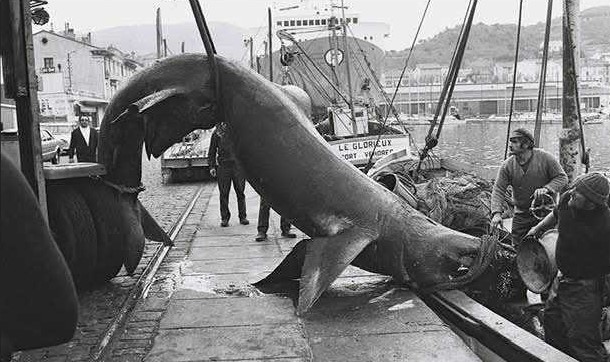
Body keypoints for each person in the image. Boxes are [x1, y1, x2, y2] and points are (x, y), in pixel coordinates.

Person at [525, 172, 610, 361]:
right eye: (574, 187)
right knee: (553, 323)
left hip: (585, 289)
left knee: (583, 341)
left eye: (578, 192)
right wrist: (538, 228)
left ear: (591, 203)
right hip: (561, 279)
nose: (572, 192)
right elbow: (555, 214)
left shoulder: (604, 225)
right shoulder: (567, 200)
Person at [490, 128, 568, 246]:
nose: (510, 145)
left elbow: (562, 178)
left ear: (526, 144)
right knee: (517, 248)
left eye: (515, 142)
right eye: (511, 141)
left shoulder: (546, 158)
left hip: (545, 214)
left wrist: (547, 188)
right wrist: (496, 213)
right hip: (521, 215)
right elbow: (499, 190)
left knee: (547, 247)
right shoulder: (507, 166)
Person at [208, 122, 248, 227]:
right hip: (224, 166)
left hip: (237, 167)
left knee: (240, 192)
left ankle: (243, 216)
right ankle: (225, 218)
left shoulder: (237, 131)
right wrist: (212, 166)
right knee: (224, 193)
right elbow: (212, 151)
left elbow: (245, 148)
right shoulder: (217, 133)